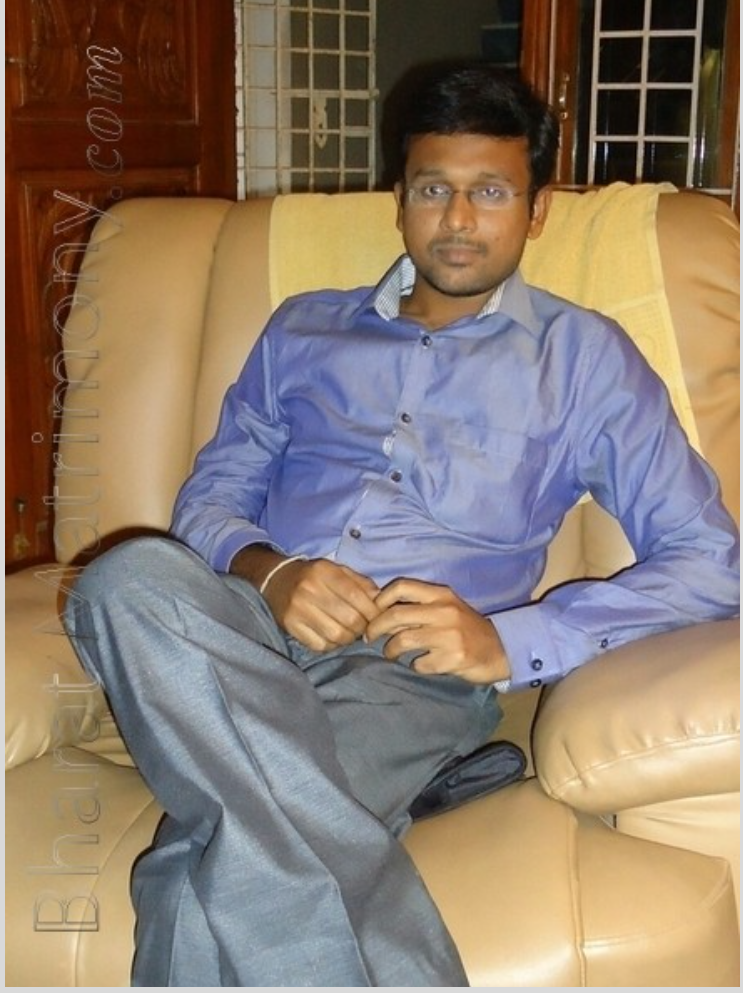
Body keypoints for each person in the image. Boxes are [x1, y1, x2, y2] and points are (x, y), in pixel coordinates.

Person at [63, 61, 740, 987]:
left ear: (536, 209)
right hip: (235, 634)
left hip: (407, 671)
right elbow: (207, 502)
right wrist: (272, 573)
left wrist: (507, 641)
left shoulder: (583, 360)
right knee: (122, 580)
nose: (457, 219)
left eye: (490, 192)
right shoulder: (302, 329)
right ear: (399, 199)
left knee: (202, 870)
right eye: (432, 189)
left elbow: (709, 562)